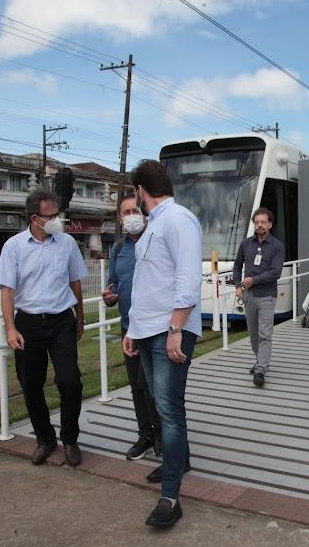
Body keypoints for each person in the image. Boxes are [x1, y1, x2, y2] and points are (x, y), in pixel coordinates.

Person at [122, 160, 202, 528]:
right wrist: (132, 329)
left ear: (141, 190)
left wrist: (174, 330)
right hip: (149, 329)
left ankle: (171, 495)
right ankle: (178, 461)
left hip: (172, 329)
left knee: (168, 409)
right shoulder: (152, 226)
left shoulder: (178, 219)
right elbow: (146, 284)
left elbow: (188, 279)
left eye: (133, 192)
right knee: (163, 404)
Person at [0, 191, 88, 467]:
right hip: (28, 323)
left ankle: (70, 438)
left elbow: (76, 282)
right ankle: (45, 439)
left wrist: (80, 319)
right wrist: (10, 328)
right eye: (51, 216)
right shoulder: (13, 246)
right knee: (31, 384)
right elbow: (7, 290)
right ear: (35, 218)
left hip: (62, 320)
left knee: (70, 381)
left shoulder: (67, 243)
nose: (57, 220)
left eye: (57, 214)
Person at [103, 194, 160, 461]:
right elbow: (113, 284)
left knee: (151, 385)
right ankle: (145, 434)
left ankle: (161, 435)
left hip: (154, 329)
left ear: (144, 212)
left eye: (134, 210)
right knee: (136, 386)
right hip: (128, 329)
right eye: (125, 212)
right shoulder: (117, 249)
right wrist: (108, 296)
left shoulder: (156, 241)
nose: (130, 215)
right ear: (119, 218)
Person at [232, 207, 285, 388]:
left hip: (267, 296)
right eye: (257, 222)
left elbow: (276, 273)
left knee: (265, 334)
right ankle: (259, 360)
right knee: (253, 334)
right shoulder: (246, 244)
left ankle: (261, 369)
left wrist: (252, 280)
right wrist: (239, 285)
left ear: (270, 224)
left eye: (263, 222)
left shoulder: (277, 246)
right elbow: (237, 266)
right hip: (249, 296)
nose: (260, 225)